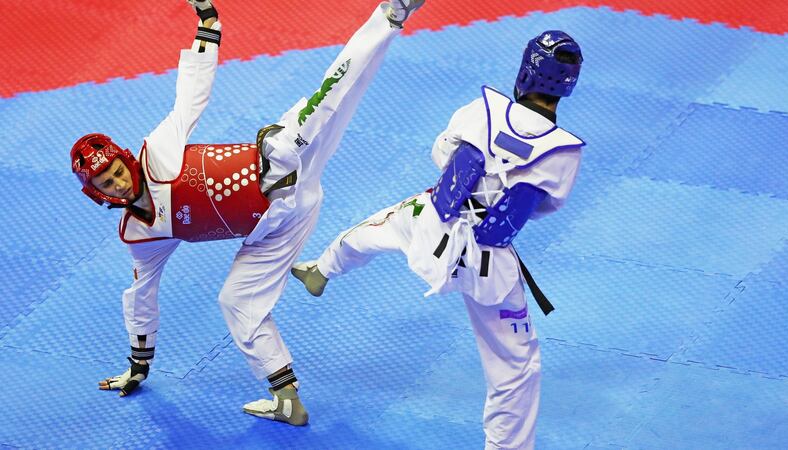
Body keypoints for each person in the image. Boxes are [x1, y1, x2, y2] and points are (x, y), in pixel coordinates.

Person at [69, 0, 425, 426]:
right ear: (98, 195)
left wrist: (207, 28)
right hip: (279, 226)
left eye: (116, 171)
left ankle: (393, 10)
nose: (119, 182)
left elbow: (190, 95)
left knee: (333, 94)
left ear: (125, 159)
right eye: (107, 183)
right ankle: (287, 399)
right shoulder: (140, 237)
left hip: (282, 161)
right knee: (237, 301)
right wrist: (139, 366)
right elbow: (141, 298)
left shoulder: (157, 153)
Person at [292, 31, 584, 447]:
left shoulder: (482, 109)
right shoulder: (565, 153)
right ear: (569, 85)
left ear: (525, 70)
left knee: (380, 226)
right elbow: (545, 207)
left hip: (433, 226)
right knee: (517, 367)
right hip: (490, 267)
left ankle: (322, 269)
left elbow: (441, 154)